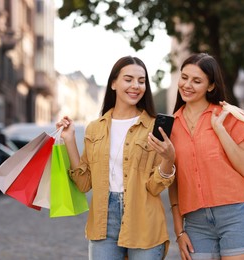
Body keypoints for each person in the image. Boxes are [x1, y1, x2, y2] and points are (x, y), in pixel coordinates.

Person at [56, 56, 176, 260]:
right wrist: (69, 140)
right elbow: (84, 184)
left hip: (144, 221)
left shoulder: (154, 127)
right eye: (128, 79)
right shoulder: (95, 128)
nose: (135, 86)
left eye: (141, 81)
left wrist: (168, 158)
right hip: (103, 221)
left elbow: (155, 187)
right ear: (113, 83)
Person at [168, 53, 244, 260]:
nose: (187, 85)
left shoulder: (229, 116)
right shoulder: (170, 125)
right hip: (195, 222)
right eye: (184, 77)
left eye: (197, 81)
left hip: (235, 215)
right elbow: (173, 182)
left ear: (210, 86)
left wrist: (220, 130)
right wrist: (179, 231)